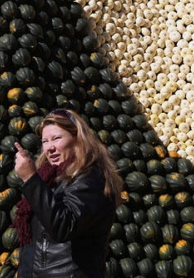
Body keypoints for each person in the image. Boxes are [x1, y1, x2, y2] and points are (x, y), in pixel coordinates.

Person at [13, 108, 124, 277]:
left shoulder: (90, 179)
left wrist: (31, 180)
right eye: (45, 141)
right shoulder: (50, 179)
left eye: (56, 138)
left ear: (78, 139)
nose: (50, 147)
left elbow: (63, 227)